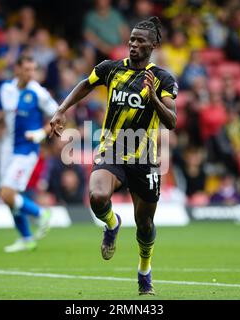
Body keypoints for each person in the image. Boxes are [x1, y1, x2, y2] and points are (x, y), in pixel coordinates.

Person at [50, 16, 178, 295]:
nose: (133, 45)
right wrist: (62, 109)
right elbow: (86, 83)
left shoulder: (164, 78)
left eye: (140, 41)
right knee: (96, 196)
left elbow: (171, 121)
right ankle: (111, 223)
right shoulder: (111, 69)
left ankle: (144, 272)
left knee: (144, 224)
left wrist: (154, 97)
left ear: (153, 45)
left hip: (145, 159)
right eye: (131, 40)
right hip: (112, 150)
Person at [0, 56, 58, 252]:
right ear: (17, 69)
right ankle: (26, 238)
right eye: (27, 69)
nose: (31, 74)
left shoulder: (39, 93)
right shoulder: (6, 89)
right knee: (7, 197)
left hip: (27, 150)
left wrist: (41, 133)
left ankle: (40, 214)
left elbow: (58, 118)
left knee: (7, 192)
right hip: (7, 148)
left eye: (33, 69)